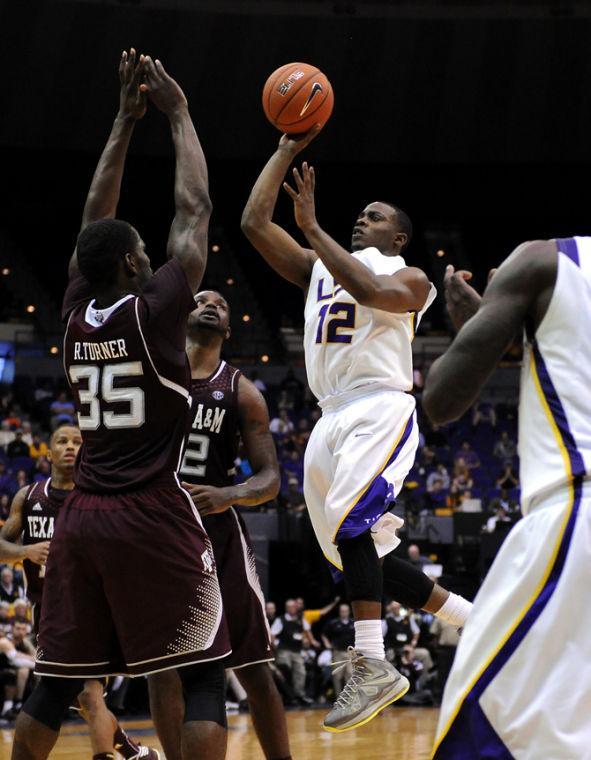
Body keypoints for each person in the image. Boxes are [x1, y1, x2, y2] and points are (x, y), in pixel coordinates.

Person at [12, 50, 230, 760]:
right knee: (199, 670)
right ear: (135, 264)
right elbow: (193, 211)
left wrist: (120, 123)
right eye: (141, 250)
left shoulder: (75, 311)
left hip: (83, 519)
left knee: (52, 684)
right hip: (150, 508)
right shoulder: (157, 308)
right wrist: (179, 113)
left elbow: (91, 220)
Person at [242, 128, 472, 732]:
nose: (360, 220)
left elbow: (371, 289)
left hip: (379, 404)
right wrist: (286, 149)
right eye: (359, 215)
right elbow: (253, 224)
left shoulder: (412, 275)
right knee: (355, 551)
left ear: (396, 236)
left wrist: (314, 228)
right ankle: (473, 619)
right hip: (329, 414)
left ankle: (373, 663)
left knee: (351, 522)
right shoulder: (320, 268)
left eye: (374, 217)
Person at [424, 238, 591, 758]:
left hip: (576, 511)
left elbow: (442, 399)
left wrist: (479, 324)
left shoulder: (546, 259)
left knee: (481, 730)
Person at [148, 290, 292, 760]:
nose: (211, 305)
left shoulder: (241, 390)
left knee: (253, 667)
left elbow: (270, 479)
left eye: (222, 305)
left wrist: (228, 494)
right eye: (201, 299)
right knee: (163, 668)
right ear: (181, 314)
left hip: (218, 532)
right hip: (156, 530)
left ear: (228, 329)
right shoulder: (153, 374)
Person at [0, 425, 157, 754]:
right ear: (48, 452)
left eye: (77, 442)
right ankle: (131, 751)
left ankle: (112, 754)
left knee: (87, 695)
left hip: (87, 612)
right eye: (63, 441)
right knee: (77, 699)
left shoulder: (96, 497)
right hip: (45, 613)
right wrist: (24, 552)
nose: (70, 447)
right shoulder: (28, 497)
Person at [321, 604, 355, 698]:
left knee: (350, 674)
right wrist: (327, 643)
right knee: (337, 675)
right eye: (342, 611)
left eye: (346, 611)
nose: (344, 613)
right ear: (339, 612)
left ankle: (349, 697)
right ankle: (338, 697)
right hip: (337, 652)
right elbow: (324, 634)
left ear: (349, 612)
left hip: (350, 652)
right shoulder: (333, 623)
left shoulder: (353, 623)